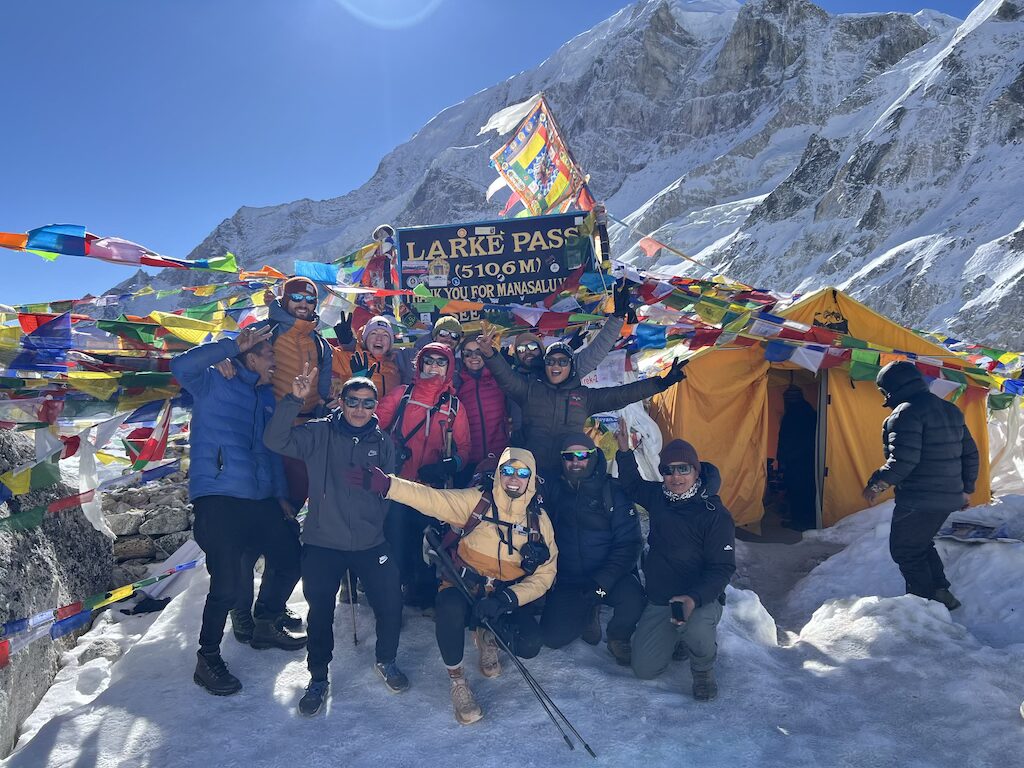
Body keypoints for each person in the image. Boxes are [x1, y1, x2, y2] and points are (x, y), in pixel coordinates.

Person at [350, 447, 557, 725]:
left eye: (522, 473)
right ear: (499, 473)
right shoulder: (476, 502)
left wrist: (507, 599)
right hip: (465, 585)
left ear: (531, 479)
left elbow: (546, 574)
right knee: (448, 607)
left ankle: (487, 635)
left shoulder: (539, 522)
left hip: (503, 597)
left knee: (530, 644)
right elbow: (431, 499)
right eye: (507, 470)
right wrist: (389, 485)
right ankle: (458, 681)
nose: (513, 479)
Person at [170, 326, 306, 697]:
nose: (275, 363)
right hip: (218, 497)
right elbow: (180, 366)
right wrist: (230, 346)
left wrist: (279, 495)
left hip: (260, 499)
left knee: (292, 556)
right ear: (250, 357)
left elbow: (268, 452)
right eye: (268, 357)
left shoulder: (265, 398)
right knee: (227, 583)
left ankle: (265, 620)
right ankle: (208, 657)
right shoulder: (213, 382)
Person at [264, 367, 408, 715]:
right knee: (320, 613)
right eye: (353, 401)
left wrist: (378, 504)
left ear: (376, 406)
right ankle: (317, 676)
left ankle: (386, 660)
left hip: (370, 542)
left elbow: (392, 491)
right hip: (323, 542)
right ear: (341, 402)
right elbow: (275, 440)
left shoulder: (383, 442)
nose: (360, 409)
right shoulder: (318, 433)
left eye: (367, 403)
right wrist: (294, 399)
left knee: (390, 605)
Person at [218, 276, 331, 640]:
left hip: (306, 438)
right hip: (268, 436)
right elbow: (234, 358)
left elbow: (324, 390)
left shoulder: (319, 342)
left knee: (285, 526)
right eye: (296, 296)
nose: (302, 302)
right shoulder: (265, 333)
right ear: (284, 299)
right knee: (258, 527)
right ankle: (241, 609)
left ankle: (270, 606)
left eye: (309, 297)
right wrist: (224, 362)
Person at [477, 322, 687, 475]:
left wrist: (661, 383)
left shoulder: (583, 397)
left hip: (568, 473)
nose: (556, 366)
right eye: (551, 361)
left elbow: (622, 395)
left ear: (571, 367)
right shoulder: (530, 390)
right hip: (533, 472)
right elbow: (505, 377)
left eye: (562, 362)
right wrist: (489, 354)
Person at [617, 433, 735, 702]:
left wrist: (694, 598)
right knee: (644, 670)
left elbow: (723, 568)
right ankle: (677, 637)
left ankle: (703, 668)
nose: (676, 477)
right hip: (661, 598)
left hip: (699, 598)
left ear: (696, 471)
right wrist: (624, 452)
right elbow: (632, 485)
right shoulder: (660, 496)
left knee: (696, 630)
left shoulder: (714, 514)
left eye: (683, 469)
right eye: (668, 471)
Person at [862, 360, 980, 610]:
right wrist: (966, 488)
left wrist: (877, 484)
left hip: (919, 498)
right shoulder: (950, 409)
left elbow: (904, 461)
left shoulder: (905, 413)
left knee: (905, 550)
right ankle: (941, 594)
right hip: (948, 496)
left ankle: (922, 607)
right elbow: (971, 454)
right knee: (920, 544)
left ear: (891, 389)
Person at [376, 342, 471, 609]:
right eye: (428, 361)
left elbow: (465, 448)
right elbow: (372, 426)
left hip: (432, 489)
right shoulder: (402, 395)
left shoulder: (454, 407)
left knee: (429, 544)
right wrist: (387, 450)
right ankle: (393, 593)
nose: (433, 368)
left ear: (449, 368)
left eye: (441, 363)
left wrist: (450, 465)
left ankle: (424, 593)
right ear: (419, 365)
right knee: (396, 539)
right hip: (398, 484)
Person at [539, 432, 644, 666]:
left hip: (608, 579)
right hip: (571, 580)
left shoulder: (612, 491)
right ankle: (588, 611)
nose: (575, 462)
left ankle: (618, 636)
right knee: (551, 637)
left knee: (633, 599)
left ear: (593, 456)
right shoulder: (555, 490)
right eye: (569, 456)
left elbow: (630, 543)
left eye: (581, 455)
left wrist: (603, 581)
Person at [504, 279, 632, 443]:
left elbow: (595, 353)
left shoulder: (563, 372)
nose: (527, 352)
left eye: (532, 346)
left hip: (567, 451)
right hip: (529, 451)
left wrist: (616, 319)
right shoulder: (513, 380)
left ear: (542, 350)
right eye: (521, 349)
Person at [455, 336, 509, 485]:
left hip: (499, 457)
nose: (474, 357)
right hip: (469, 461)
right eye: (468, 353)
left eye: (478, 352)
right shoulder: (458, 384)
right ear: (463, 358)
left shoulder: (499, 380)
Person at [330, 314, 402, 399]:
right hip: (359, 410)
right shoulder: (355, 359)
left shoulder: (395, 367)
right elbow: (323, 352)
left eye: (385, 335)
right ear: (365, 339)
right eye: (373, 333)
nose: (379, 338)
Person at [777, 386, 818, 530]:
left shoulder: (791, 415)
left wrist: (782, 460)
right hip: (811, 459)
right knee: (808, 489)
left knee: (796, 490)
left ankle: (798, 521)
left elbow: (785, 440)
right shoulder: (811, 412)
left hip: (795, 460)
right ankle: (809, 519)